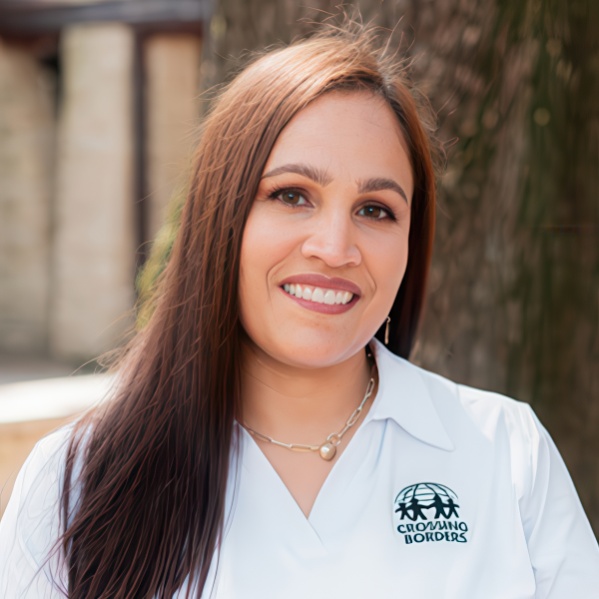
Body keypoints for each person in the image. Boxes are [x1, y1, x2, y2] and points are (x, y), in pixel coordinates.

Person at [1, 21, 598, 599]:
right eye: (292, 196)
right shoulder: (78, 483)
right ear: (220, 217)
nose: (335, 248)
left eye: (376, 209)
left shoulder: (505, 453)